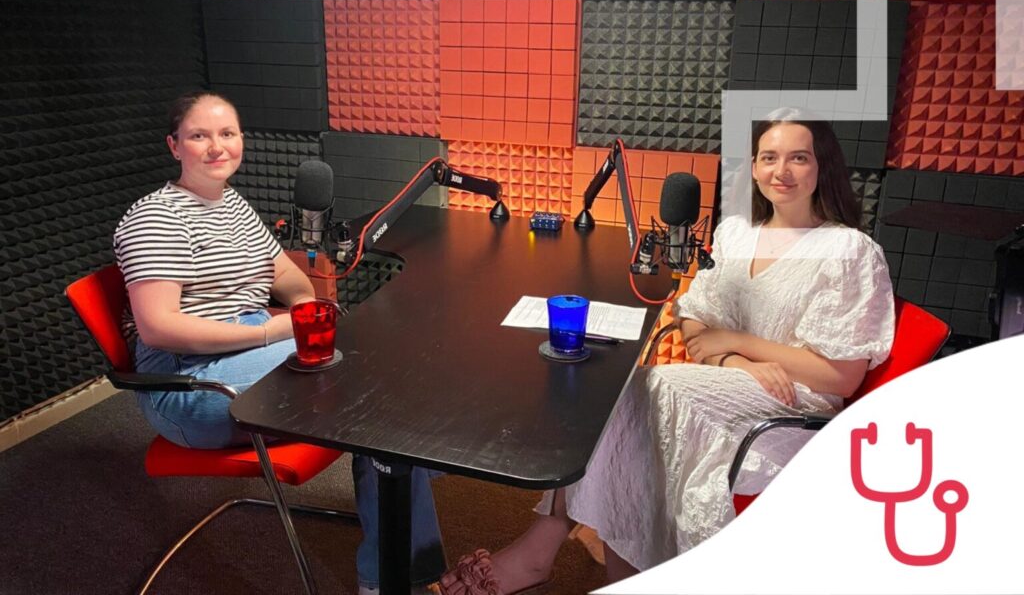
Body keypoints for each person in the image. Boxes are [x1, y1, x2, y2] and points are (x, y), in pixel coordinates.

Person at [438, 110, 896, 593]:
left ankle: (541, 552)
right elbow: (694, 321)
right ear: (754, 167)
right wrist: (738, 363)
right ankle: (574, 561)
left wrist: (737, 342)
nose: (781, 171)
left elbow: (841, 375)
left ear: (823, 166)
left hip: (791, 409)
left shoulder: (850, 250)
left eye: (798, 158)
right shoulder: (737, 233)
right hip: (733, 382)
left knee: (643, 395)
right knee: (628, 404)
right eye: (769, 158)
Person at [113, 91, 446, 594]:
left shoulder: (233, 206)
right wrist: (271, 331)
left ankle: (404, 570)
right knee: (374, 381)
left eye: (227, 133)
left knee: (379, 387)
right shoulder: (156, 218)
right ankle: (389, 577)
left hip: (250, 357)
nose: (216, 146)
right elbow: (159, 327)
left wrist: (305, 311)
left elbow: (288, 278)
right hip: (190, 384)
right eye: (199, 135)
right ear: (174, 146)